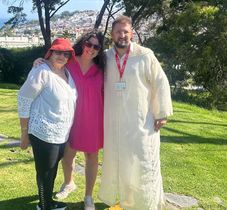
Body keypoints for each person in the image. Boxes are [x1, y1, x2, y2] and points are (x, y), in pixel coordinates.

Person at [97, 15, 173, 210]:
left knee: (142, 160)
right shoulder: (105, 57)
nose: (122, 35)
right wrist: (43, 61)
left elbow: (161, 83)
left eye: (125, 31)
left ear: (131, 33)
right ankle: (123, 200)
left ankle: (144, 202)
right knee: (117, 158)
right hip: (113, 119)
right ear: (112, 34)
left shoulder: (145, 55)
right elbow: (82, 63)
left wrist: (161, 112)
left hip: (140, 119)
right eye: (118, 31)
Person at [34, 30, 106, 210]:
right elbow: (49, 69)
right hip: (69, 118)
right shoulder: (69, 64)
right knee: (66, 157)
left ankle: (88, 196)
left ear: (99, 50)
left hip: (94, 119)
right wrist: (38, 62)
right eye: (89, 44)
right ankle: (69, 183)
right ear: (83, 43)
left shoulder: (102, 69)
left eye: (96, 47)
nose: (91, 49)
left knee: (91, 157)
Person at [18, 38, 78, 210]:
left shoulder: (67, 72)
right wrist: (24, 132)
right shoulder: (41, 71)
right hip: (43, 132)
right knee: (45, 173)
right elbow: (23, 98)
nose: (62, 56)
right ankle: (44, 206)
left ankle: (48, 202)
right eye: (58, 52)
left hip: (61, 133)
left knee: (52, 170)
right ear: (50, 53)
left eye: (66, 53)